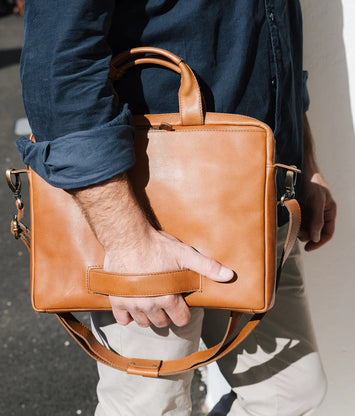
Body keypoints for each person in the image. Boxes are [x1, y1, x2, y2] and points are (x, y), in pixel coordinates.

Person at [17, 1, 337, 415]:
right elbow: (56, 68)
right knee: (150, 405)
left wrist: (304, 162)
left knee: (291, 392)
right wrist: (130, 244)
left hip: (256, 200)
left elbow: (274, 38)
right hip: (146, 210)